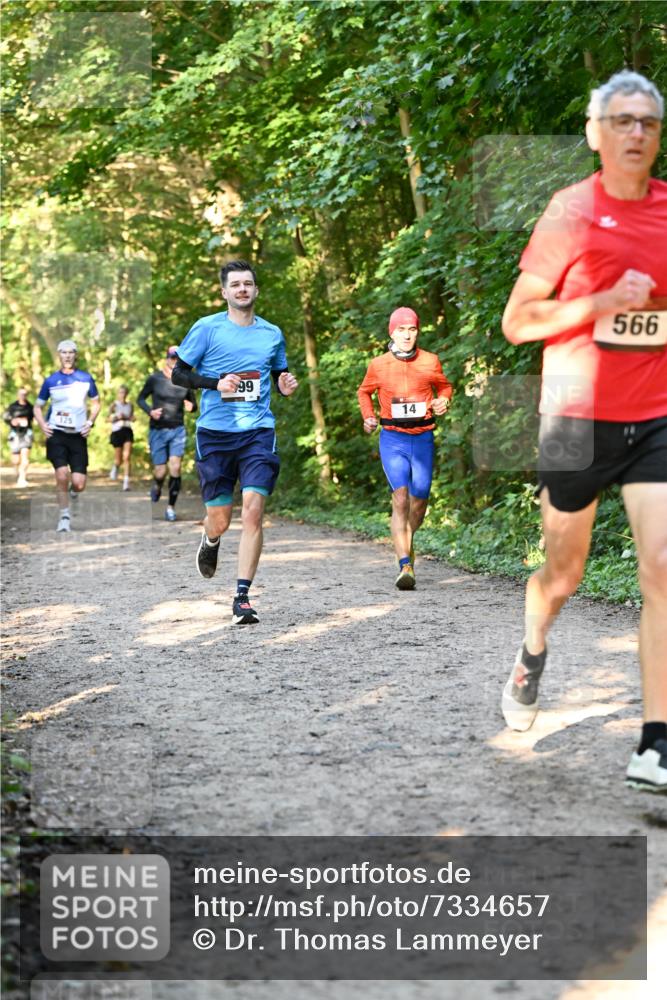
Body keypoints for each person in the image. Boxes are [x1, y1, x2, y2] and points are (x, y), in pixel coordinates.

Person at [499, 70, 667, 793]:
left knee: (662, 567)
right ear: (596, 134)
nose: (636, 133)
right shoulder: (568, 212)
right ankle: (532, 648)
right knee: (561, 575)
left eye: (649, 123)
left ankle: (655, 745)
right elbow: (517, 324)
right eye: (622, 121)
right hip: (573, 419)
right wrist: (600, 299)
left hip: (656, 414)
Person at [171, 259, 298, 625]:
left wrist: (284, 386)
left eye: (248, 284)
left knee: (254, 511)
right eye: (235, 285)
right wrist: (215, 383)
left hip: (258, 432)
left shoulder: (271, 333)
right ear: (224, 292)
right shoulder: (206, 328)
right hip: (215, 434)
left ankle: (242, 596)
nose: (243, 289)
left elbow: (278, 374)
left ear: (256, 290)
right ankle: (210, 540)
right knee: (221, 519)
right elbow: (179, 374)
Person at [357, 307, 452, 589]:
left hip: (422, 438)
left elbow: (445, 388)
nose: (407, 335)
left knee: (419, 502)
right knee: (400, 498)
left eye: (411, 329)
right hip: (393, 438)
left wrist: (444, 401)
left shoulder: (431, 361)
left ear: (417, 332)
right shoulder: (378, 364)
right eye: (401, 330)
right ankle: (405, 565)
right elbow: (364, 391)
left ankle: (406, 541)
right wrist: (368, 416)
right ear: (392, 332)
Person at [33, 340, 100, 532]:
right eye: (64, 352)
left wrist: (90, 423)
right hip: (57, 434)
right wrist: (43, 425)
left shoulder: (86, 379)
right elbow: (37, 406)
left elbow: (96, 403)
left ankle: (73, 491)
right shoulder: (51, 381)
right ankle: (64, 517)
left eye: (71, 352)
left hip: (78, 435)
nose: (68, 356)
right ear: (59, 355)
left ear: (75, 355)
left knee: (79, 484)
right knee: (61, 474)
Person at [137, 346, 197, 522]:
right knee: (160, 471)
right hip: (158, 430)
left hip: (177, 429)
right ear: (167, 358)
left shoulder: (185, 381)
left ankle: (170, 507)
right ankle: (156, 485)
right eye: (172, 357)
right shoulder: (154, 379)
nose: (175, 360)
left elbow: (193, 405)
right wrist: (150, 411)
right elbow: (140, 399)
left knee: (176, 467)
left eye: (179, 358)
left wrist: (191, 407)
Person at [3, 386, 34, 487]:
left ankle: (22, 477)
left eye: (25, 394)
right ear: (18, 395)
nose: (23, 396)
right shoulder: (12, 407)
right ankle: (17, 470)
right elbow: (5, 417)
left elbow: (35, 418)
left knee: (25, 456)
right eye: (21, 394)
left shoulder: (30, 407)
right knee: (16, 460)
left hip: (26, 434)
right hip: (15, 434)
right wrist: (13, 421)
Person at [108, 385, 134, 491]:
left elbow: (132, 417)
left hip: (127, 430)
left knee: (127, 457)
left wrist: (130, 418)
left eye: (124, 392)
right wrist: (117, 417)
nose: (122, 394)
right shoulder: (114, 405)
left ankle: (126, 483)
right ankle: (115, 467)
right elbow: (108, 419)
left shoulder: (130, 405)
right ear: (118, 394)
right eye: (120, 392)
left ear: (127, 394)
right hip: (117, 431)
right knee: (118, 460)